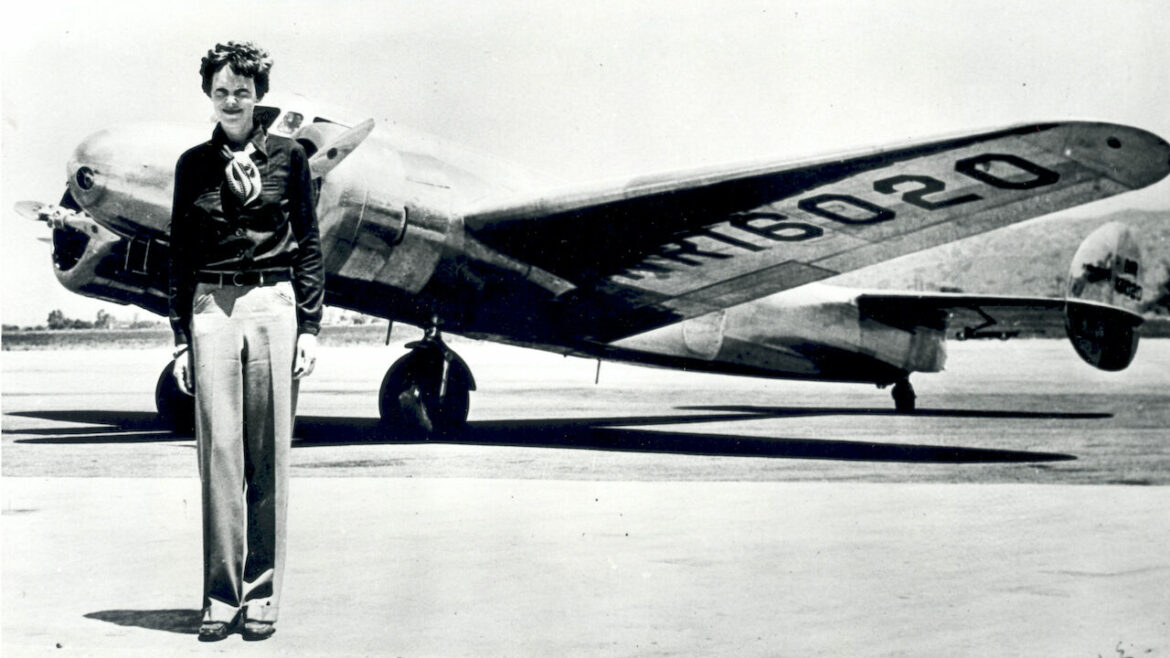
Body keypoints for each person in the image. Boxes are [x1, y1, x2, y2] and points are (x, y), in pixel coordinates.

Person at [168, 41, 324, 642]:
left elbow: (308, 245)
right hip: (212, 306)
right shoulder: (191, 166)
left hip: (273, 304)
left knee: (268, 459)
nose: (231, 100)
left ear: (259, 93)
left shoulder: (290, 158)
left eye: (242, 90)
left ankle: (261, 598)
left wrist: (309, 328)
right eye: (220, 91)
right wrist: (182, 337)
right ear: (208, 94)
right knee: (219, 460)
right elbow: (179, 256)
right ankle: (219, 598)